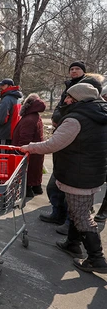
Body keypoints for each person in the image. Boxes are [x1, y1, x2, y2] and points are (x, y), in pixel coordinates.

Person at [21, 83, 107, 273]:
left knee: (81, 214)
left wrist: (30, 147)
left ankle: (96, 259)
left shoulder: (76, 119)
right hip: (92, 172)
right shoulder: (98, 115)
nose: (66, 100)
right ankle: (72, 243)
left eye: (69, 97)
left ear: (78, 99)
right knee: (80, 210)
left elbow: (53, 144)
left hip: (78, 174)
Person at [40, 62, 104, 231]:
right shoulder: (75, 102)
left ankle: (91, 251)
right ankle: (63, 221)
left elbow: (51, 145)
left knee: (79, 210)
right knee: (57, 188)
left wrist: (28, 147)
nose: (73, 71)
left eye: (77, 69)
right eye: (71, 69)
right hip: (72, 157)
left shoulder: (82, 113)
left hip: (79, 162)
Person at [12, 94, 46, 197]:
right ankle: (36, 187)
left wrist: (20, 150)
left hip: (28, 151)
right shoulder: (35, 116)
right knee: (35, 169)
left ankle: (27, 190)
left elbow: (25, 139)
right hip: (36, 150)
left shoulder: (29, 119)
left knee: (28, 171)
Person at [0, 78, 23, 146]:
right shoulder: (16, 98)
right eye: (0, 85)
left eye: (3, 85)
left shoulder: (7, 99)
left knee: (2, 155)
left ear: (10, 86)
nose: (0, 87)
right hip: (13, 132)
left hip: (4, 133)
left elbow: (1, 118)